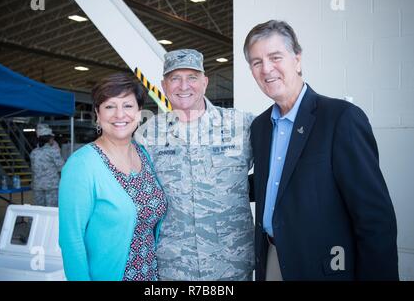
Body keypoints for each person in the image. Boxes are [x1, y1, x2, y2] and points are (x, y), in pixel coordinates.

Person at [243, 20, 399, 280]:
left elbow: (375, 220)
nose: (266, 68)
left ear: (297, 59)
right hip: (271, 260)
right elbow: (273, 184)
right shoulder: (260, 126)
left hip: (323, 268)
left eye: (275, 57)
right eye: (256, 62)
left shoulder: (341, 119)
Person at [135, 49, 255, 281]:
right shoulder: (148, 134)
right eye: (175, 78)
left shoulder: (241, 125)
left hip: (231, 265)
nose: (183, 86)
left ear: (205, 82)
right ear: (164, 84)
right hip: (174, 267)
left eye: (192, 77)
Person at [58, 73, 167, 281]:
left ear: (138, 112)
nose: (120, 114)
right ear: (98, 114)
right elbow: (71, 240)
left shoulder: (144, 155)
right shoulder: (82, 165)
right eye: (109, 106)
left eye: (128, 106)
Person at [30, 123, 64, 207]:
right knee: (51, 211)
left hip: (37, 185)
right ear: (49, 139)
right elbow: (62, 167)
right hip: (51, 186)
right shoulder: (53, 151)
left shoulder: (33, 152)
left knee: (38, 209)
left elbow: (33, 169)